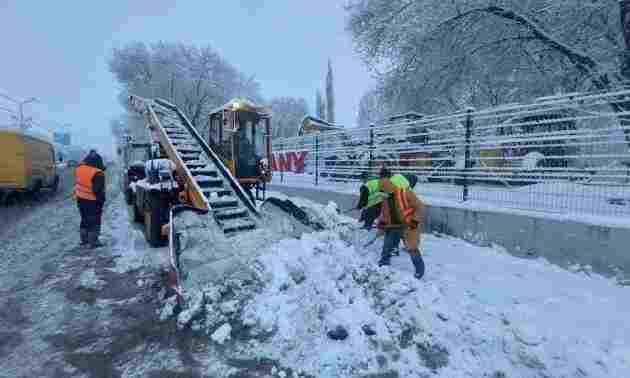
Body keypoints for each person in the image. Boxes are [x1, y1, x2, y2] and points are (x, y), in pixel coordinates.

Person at [375, 168, 425, 279]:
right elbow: (384, 215)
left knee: (411, 248)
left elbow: (420, 207)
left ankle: (419, 270)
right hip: (394, 225)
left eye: (384, 192)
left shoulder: (405, 193)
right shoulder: (385, 198)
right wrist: (381, 229)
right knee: (387, 245)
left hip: (409, 225)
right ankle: (383, 263)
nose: (383, 195)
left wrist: (414, 222)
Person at [75, 150, 106, 248]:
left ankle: (84, 240)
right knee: (95, 221)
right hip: (93, 201)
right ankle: (93, 241)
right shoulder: (98, 173)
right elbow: (97, 190)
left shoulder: (79, 169)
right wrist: (101, 200)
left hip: (80, 199)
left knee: (84, 219)